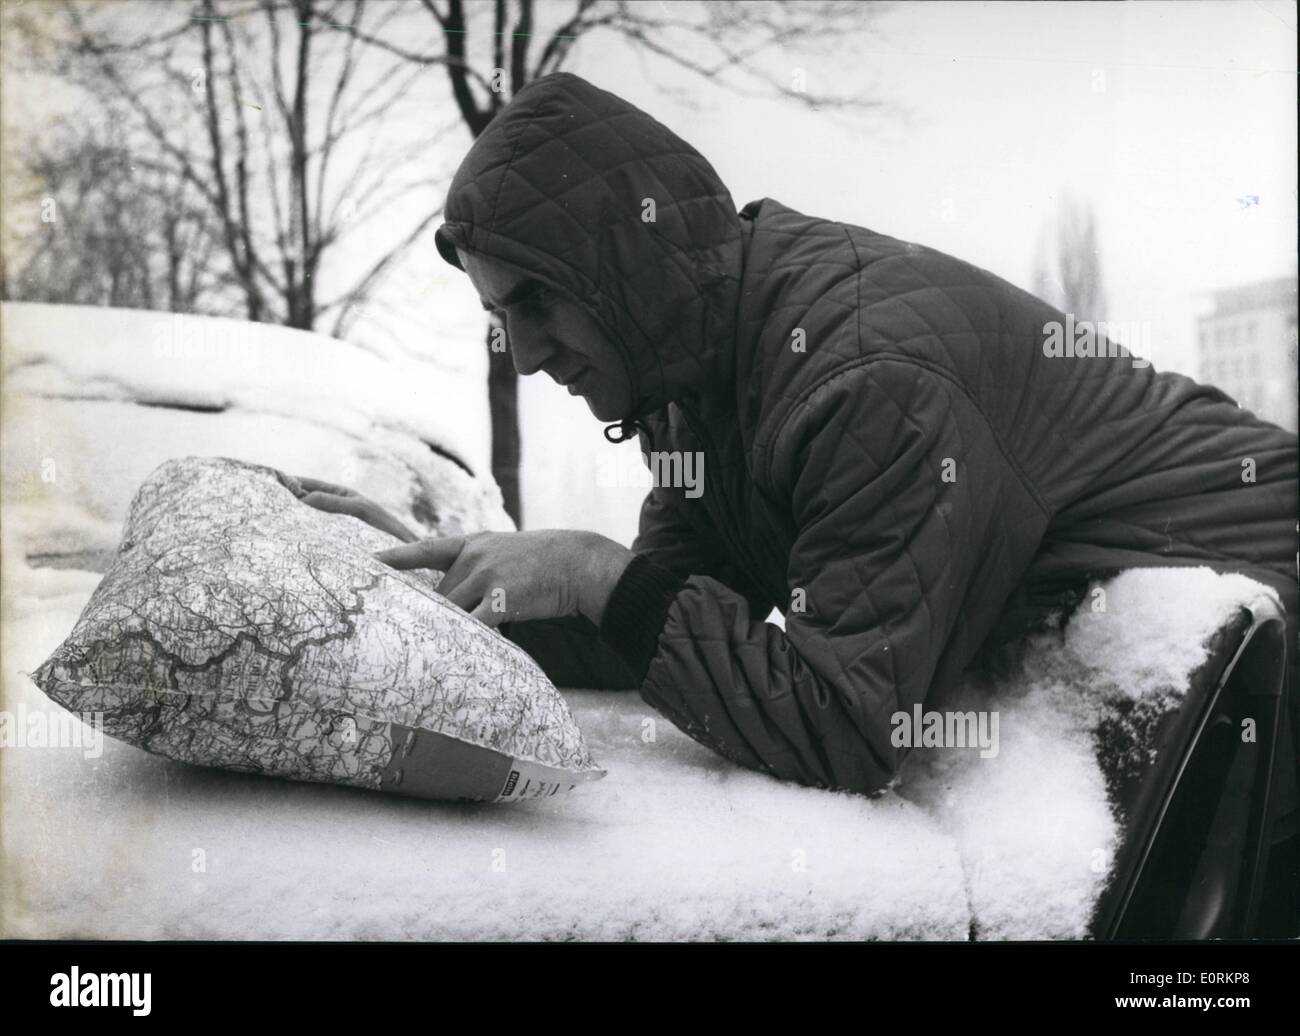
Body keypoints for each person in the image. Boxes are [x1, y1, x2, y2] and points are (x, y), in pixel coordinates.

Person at [305, 72, 1297, 927]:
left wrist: (596, 574)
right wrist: (446, 608)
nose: (521, 354)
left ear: (625, 267)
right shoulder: (698, 378)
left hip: (1272, 619)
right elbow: (659, 620)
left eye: (536, 301)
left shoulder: (862, 377)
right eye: (496, 315)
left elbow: (842, 727)